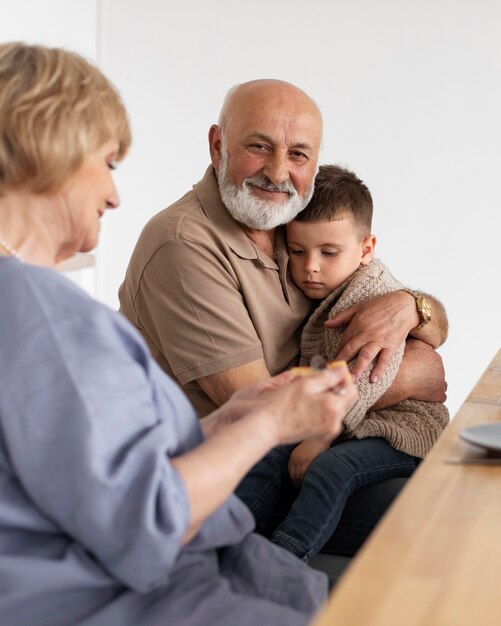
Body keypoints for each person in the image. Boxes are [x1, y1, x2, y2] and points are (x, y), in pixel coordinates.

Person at [0, 42, 360, 626]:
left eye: (297, 154)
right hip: (151, 596)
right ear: (50, 149)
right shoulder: (41, 308)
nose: (114, 194)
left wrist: (237, 415)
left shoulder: (31, 304)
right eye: (108, 164)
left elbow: (97, 468)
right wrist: (269, 421)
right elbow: (143, 520)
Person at [119, 79, 448, 553]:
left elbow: (429, 323)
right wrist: (409, 373)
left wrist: (411, 308)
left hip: (303, 445)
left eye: (298, 154)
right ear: (218, 146)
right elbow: (262, 408)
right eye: (259, 147)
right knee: (432, 517)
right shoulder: (184, 243)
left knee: (459, 496)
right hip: (222, 475)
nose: (278, 172)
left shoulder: (293, 229)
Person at [235, 164, 449, 561]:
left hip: (400, 429)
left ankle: (282, 560)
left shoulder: (371, 295)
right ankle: (227, 539)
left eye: (328, 252)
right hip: (354, 421)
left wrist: (321, 436)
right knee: (270, 451)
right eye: (297, 251)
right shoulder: (317, 288)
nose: (310, 266)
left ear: (366, 249)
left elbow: (365, 375)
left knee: (333, 469)